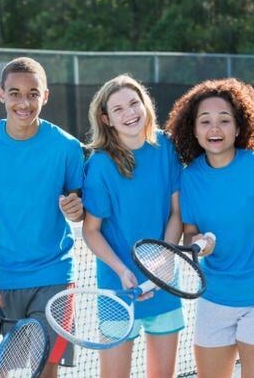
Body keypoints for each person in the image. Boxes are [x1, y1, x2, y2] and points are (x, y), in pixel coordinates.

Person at [0, 57, 84, 378]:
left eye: (32, 94)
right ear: (1, 94)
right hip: (1, 278)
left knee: (46, 369)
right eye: (15, 93)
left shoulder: (67, 147)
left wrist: (77, 209)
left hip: (54, 274)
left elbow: (80, 207)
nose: (23, 102)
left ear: (45, 96)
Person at [166, 78, 254, 378]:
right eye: (205, 121)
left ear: (238, 126)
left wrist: (244, 258)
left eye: (224, 120)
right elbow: (190, 232)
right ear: (194, 129)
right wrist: (202, 243)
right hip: (214, 296)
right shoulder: (190, 177)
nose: (214, 129)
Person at [82, 74, 185, 378]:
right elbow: (91, 230)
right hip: (118, 289)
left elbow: (176, 213)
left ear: (145, 105)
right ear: (107, 119)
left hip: (165, 284)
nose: (129, 113)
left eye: (133, 103)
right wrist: (122, 271)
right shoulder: (100, 164)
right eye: (118, 109)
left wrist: (164, 261)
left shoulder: (167, 147)